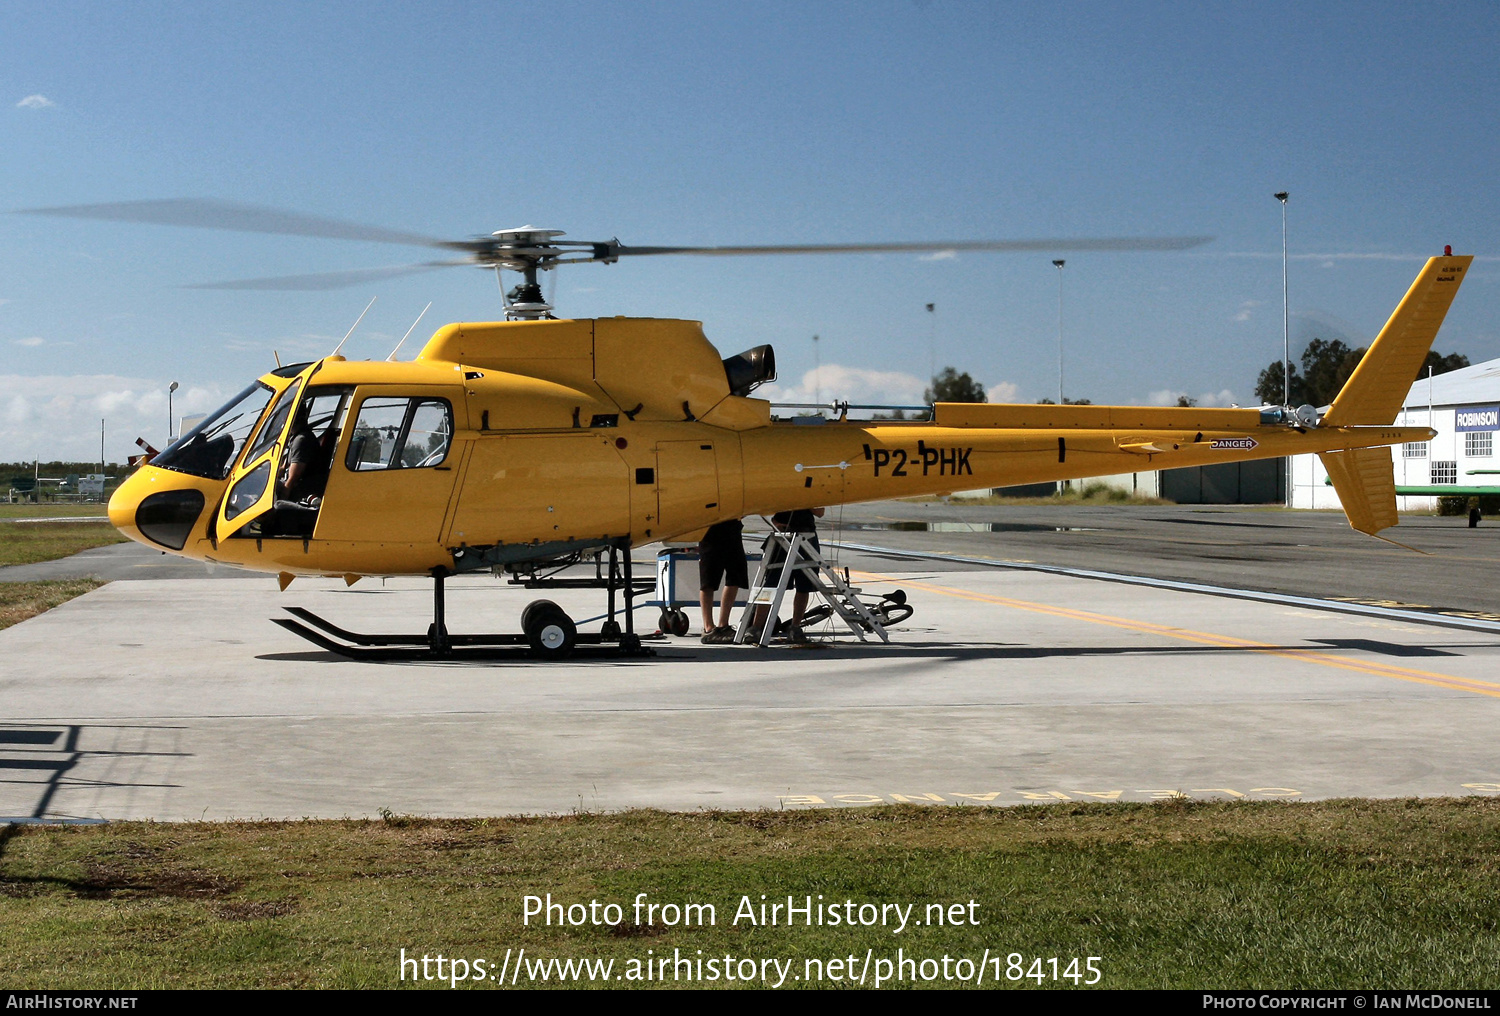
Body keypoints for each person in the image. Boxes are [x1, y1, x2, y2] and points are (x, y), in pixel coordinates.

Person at [758, 507, 824, 643]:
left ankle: (795, 626)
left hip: (805, 535)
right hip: (782, 535)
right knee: (770, 585)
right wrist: (775, 523)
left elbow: (819, 512)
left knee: (804, 585)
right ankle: (756, 627)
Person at [698, 518, 748, 643]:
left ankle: (723, 624)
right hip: (710, 528)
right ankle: (708, 627)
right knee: (708, 580)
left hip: (732, 527)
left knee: (735, 576)